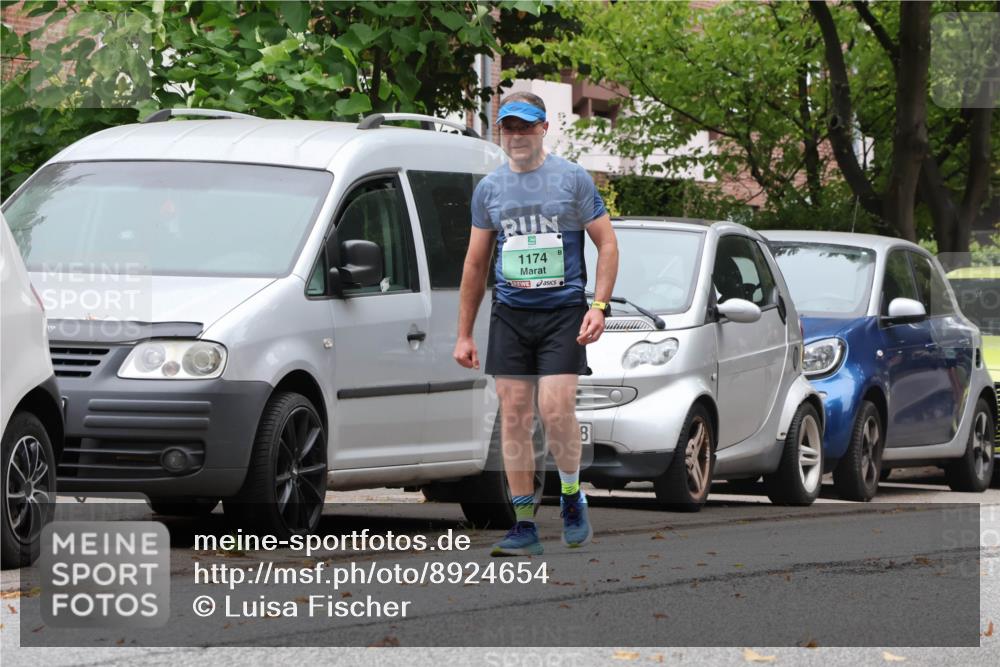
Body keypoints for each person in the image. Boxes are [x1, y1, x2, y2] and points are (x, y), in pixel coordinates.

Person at [453, 92, 619, 556]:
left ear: (545, 128)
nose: (517, 135)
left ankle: (570, 496)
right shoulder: (489, 190)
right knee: (515, 416)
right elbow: (475, 263)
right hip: (510, 312)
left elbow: (607, 244)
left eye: (526, 126)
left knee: (555, 408)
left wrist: (599, 306)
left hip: (563, 311)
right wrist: (464, 333)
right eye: (509, 127)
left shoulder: (571, 180)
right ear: (499, 132)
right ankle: (524, 523)